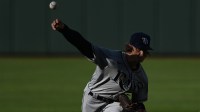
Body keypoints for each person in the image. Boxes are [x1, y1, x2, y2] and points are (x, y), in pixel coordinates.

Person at [51, 19, 152, 112]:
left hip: (113, 105)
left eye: (145, 51)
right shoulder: (111, 58)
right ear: (130, 47)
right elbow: (83, 44)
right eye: (139, 49)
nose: (142, 54)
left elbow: (138, 103)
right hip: (92, 99)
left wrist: (138, 108)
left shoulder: (142, 78)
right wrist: (64, 29)